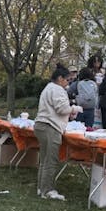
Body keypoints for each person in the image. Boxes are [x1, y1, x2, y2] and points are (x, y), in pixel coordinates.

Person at [34, 67, 80, 201]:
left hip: (41, 125)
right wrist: (74, 108)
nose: (68, 83)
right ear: (60, 79)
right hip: (51, 127)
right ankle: (47, 190)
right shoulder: (58, 89)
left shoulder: (48, 88)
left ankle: (41, 187)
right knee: (51, 160)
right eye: (68, 80)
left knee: (44, 159)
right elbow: (62, 109)